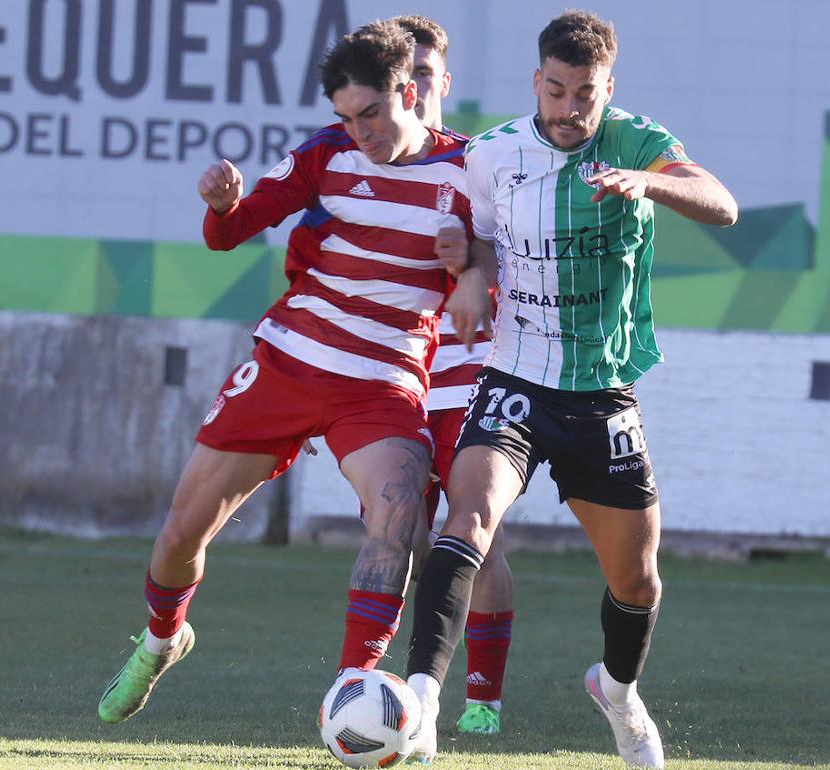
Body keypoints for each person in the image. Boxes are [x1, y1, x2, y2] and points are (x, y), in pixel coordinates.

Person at [96, 20, 473, 726]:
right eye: (345, 118)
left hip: (382, 384)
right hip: (288, 364)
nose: (358, 131)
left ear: (409, 90)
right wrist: (220, 204)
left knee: (398, 521)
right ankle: (161, 639)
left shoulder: (469, 175)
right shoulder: (325, 154)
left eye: (371, 114)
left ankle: (352, 693)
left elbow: (488, 283)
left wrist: (473, 265)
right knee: (181, 536)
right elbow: (232, 231)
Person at [401, 10, 738, 768]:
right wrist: (473, 278)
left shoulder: (639, 141)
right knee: (470, 514)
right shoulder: (492, 155)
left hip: (603, 392)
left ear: (607, 88)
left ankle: (617, 692)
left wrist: (649, 183)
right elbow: (483, 239)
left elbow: (723, 204)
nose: (569, 108)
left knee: (638, 578)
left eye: (585, 93)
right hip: (515, 374)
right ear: (536, 84)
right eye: (555, 91)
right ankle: (421, 696)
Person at [391, 14, 514, 738]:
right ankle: (395, 690)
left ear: (442, 81)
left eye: (426, 76)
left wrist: (471, 259)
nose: (415, 89)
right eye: (403, 78)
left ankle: (481, 700)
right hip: (395, 381)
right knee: (399, 536)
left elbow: (518, 255)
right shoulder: (364, 162)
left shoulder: (481, 165)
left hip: (472, 381)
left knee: (475, 538)